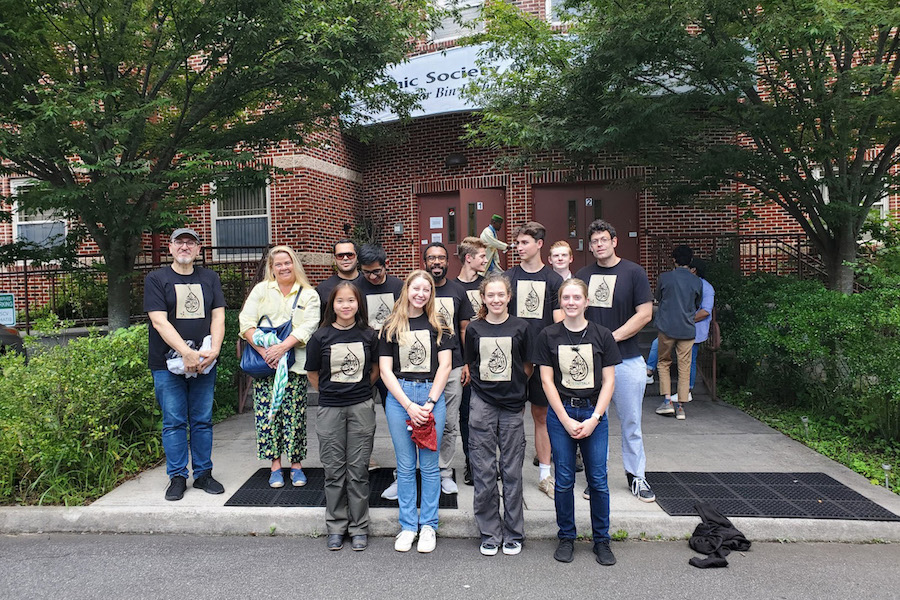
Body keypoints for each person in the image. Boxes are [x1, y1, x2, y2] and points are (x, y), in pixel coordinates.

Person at [535, 278, 621, 567]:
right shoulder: (548, 335)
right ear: (560, 301)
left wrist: (595, 418)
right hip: (562, 414)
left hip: (594, 413)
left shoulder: (602, 335)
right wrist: (563, 418)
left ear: (586, 301)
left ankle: (602, 540)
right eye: (566, 297)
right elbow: (546, 380)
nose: (571, 302)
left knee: (597, 480)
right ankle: (566, 537)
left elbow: (609, 381)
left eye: (576, 297)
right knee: (564, 482)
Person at [575, 219, 656, 503]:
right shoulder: (583, 274)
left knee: (631, 421)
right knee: (595, 422)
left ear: (614, 241)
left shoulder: (634, 272)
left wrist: (611, 339)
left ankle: (637, 476)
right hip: (591, 364)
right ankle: (596, 479)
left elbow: (645, 314)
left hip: (627, 360)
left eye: (603, 240)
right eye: (594, 241)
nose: (599, 245)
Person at [145, 228, 226, 501]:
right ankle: (177, 477)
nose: (184, 247)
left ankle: (203, 474)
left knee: (202, 421)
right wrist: (184, 352)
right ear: (170, 248)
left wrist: (213, 350)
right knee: (174, 422)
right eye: (179, 242)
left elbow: (218, 317)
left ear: (199, 250)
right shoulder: (157, 279)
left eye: (190, 243)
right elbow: (159, 320)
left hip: (204, 362)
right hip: (166, 363)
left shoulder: (209, 278)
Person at [378, 270, 455, 553]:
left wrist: (430, 403)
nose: (421, 294)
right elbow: (385, 370)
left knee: (431, 466)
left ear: (431, 294)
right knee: (406, 466)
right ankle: (409, 525)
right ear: (407, 290)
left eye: (426, 289)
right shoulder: (391, 325)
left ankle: (428, 526)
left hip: (431, 396)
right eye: (416, 288)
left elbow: (445, 366)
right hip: (400, 397)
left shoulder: (440, 325)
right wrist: (409, 405)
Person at [306, 281, 380, 552]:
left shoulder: (369, 335)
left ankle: (359, 527)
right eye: (340, 301)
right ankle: (336, 526)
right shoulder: (320, 337)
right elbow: (313, 374)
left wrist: (359, 391)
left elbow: (374, 370)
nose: (346, 305)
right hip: (329, 409)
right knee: (334, 471)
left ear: (358, 303)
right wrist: (332, 393)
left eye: (351, 300)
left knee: (358, 471)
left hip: (361, 407)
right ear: (332, 305)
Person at [239, 246, 321, 488]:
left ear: (295, 264)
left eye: (288, 262)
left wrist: (282, 348)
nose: (284, 267)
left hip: (294, 367)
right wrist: (266, 352)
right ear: (271, 268)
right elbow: (246, 322)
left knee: (294, 417)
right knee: (268, 416)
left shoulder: (309, 294)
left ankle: (296, 465)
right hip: (265, 366)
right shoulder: (261, 290)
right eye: (279, 264)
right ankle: (275, 466)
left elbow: (309, 326)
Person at [464, 274, 531, 556]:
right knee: (484, 469)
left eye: (500, 295)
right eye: (490, 295)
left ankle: (514, 532)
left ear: (509, 296)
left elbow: (527, 365)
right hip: (482, 402)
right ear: (483, 298)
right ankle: (490, 532)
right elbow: (471, 361)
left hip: (513, 405)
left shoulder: (522, 327)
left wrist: (513, 387)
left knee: (512, 471)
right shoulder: (474, 329)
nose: (496, 300)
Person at [504, 221, 563, 499]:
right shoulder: (508, 277)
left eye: (524, 243)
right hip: (513, 359)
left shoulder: (553, 280)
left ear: (540, 244)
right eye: (517, 243)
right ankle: (509, 473)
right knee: (511, 417)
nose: (519, 247)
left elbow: (559, 323)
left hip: (542, 360)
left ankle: (544, 474)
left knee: (542, 415)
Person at [423, 242, 475, 496]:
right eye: (431, 258)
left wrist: (466, 361)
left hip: (453, 366)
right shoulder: (418, 289)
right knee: (420, 420)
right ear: (425, 261)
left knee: (450, 422)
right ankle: (420, 470)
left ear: (447, 261)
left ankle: (443, 471)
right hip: (421, 368)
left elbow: (464, 328)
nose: (436, 262)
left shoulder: (457, 291)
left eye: (441, 258)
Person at [647, 257, 715, 401]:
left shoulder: (705, 287)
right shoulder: (688, 282)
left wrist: (685, 318)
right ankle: (650, 372)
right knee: (660, 348)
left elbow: (705, 311)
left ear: (694, 270)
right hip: (683, 326)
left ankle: (686, 391)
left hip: (693, 328)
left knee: (687, 361)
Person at [652, 245, 702, 420]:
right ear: (690, 261)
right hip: (687, 328)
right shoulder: (697, 281)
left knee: (664, 362)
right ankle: (681, 406)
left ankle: (667, 401)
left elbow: (657, 297)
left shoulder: (664, 278)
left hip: (666, 326)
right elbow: (697, 304)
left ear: (673, 260)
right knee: (684, 366)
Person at [456, 236, 488, 485]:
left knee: (485, 417)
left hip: (487, 360)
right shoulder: (452, 288)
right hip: (459, 361)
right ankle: (470, 464)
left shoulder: (487, 286)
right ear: (469, 259)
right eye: (482, 257)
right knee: (466, 415)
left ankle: (485, 463)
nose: (485, 261)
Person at [316, 239, 360, 305]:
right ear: (334, 259)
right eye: (340, 256)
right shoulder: (323, 289)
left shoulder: (369, 283)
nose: (345, 258)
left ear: (357, 257)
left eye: (350, 255)